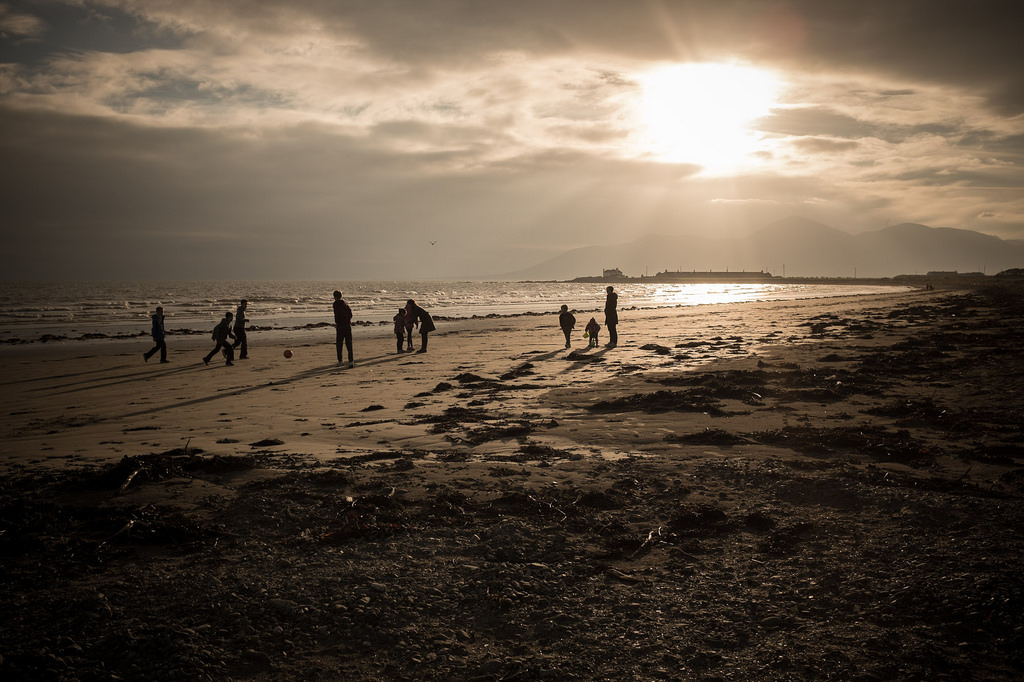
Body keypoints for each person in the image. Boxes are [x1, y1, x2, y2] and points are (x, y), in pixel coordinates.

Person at [333, 290, 354, 368]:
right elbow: (350, 313)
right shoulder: (345, 303)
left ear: (334, 297)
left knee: (339, 344)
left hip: (341, 326)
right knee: (349, 344)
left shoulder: (336, 304)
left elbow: (337, 314)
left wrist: (337, 322)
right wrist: (348, 320)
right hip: (347, 325)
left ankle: (340, 361)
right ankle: (351, 361)